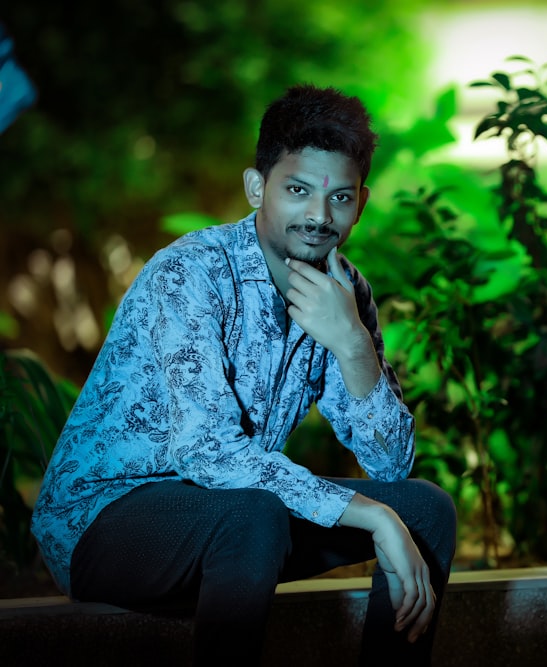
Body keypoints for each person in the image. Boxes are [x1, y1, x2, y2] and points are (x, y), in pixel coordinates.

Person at [31, 84, 457, 665]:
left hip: (230, 521)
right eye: (298, 190)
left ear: (361, 202)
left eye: (340, 198)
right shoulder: (187, 275)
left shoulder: (346, 293)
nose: (318, 215)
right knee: (253, 510)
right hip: (105, 524)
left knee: (425, 508)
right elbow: (211, 454)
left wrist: (353, 343)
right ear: (258, 187)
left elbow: (389, 465)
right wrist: (371, 518)